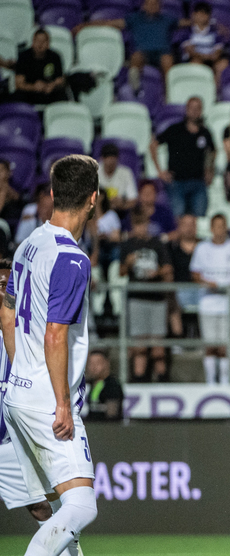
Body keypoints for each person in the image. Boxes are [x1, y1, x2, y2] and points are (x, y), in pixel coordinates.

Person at [0, 154, 100, 555]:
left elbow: (7, 313)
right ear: (93, 198)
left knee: (53, 511)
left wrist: (18, 373)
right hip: (47, 400)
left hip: (17, 394)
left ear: (55, 194)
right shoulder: (72, 258)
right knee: (81, 505)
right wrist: (61, 403)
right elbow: (55, 335)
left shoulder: (28, 244)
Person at [0, 256, 82, 554]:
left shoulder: (30, 334)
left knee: (43, 506)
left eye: (8, 285)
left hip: (10, 441)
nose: (3, 291)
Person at [190, 214, 230, 384]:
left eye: (223, 226)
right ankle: (210, 382)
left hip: (228, 304)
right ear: (211, 228)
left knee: (224, 346)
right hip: (208, 304)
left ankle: (225, 382)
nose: (220, 230)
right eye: (217, 226)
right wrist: (211, 284)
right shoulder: (202, 248)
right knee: (210, 345)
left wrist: (226, 286)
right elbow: (195, 274)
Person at [119, 211, 174, 382]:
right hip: (137, 299)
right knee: (139, 345)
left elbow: (168, 268)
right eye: (137, 225)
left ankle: (162, 381)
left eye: (143, 225)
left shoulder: (157, 244)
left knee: (158, 345)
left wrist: (156, 272)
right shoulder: (128, 245)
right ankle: (139, 379)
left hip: (156, 299)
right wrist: (128, 263)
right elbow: (121, 272)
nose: (140, 229)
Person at [151, 96, 215, 219]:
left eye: (198, 108)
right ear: (186, 109)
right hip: (176, 182)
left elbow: (212, 151)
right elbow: (153, 144)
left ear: (201, 111)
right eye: (192, 108)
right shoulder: (175, 129)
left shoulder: (205, 133)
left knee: (200, 218)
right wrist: (159, 171)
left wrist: (209, 170)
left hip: (198, 182)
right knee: (177, 217)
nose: (194, 111)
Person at [13, 28, 68, 105]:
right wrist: (33, 87)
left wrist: (52, 85)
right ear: (33, 42)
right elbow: (19, 84)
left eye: (43, 41)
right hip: (29, 93)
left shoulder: (55, 57)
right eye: (37, 41)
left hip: (49, 92)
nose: (40, 44)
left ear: (48, 43)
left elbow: (60, 79)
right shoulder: (24, 56)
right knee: (17, 96)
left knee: (62, 96)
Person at [167, 214, 200, 341]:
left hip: (201, 289)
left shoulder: (204, 247)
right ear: (179, 227)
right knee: (171, 299)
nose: (189, 228)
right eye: (185, 225)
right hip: (179, 290)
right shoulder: (171, 248)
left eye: (192, 224)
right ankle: (178, 339)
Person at [181, 2, 228, 84]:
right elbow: (190, 52)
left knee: (223, 63)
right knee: (195, 63)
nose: (202, 16)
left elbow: (218, 51)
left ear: (209, 16)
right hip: (196, 59)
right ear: (194, 15)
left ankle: (215, 90)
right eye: (200, 13)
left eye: (205, 14)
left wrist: (211, 57)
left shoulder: (216, 32)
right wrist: (204, 57)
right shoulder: (186, 32)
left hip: (212, 59)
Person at [97, 143, 138, 213]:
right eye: (108, 157)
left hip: (119, 212)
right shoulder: (94, 171)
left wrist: (123, 205)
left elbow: (133, 199)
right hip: (98, 211)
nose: (111, 160)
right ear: (102, 158)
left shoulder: (126, 173)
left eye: (113, 157)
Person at [84, 351, 123, 421]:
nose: (93, 367)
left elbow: (112, 415)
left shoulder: (112, 385)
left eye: (97, 363)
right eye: (91, 364)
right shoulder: (93, 384)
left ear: (106, 364)